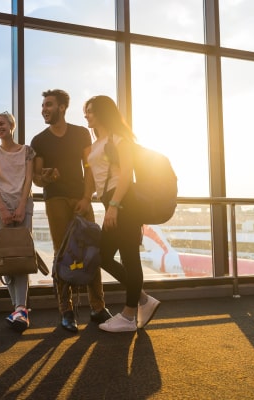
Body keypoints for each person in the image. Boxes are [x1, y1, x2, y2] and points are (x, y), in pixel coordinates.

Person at [30, 89, 112, 333]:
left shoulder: (80, 134)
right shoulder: (39, 140)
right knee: (62, 253)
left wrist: (87, 198)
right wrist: (44, 177)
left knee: (91, 250)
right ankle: (66, 311)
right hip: (55, 199)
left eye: (49, 105)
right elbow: (36, 178)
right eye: (43, 105)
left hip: (81, 198)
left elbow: (89, 168)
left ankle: (98, 308)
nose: (44, 109)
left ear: (62, 107)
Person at [83, 95, 161, 332]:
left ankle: (129, 316)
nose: (86, 115)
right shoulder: (96, 144)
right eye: (85, 111)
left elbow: (127, 174)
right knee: (104, 256)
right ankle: (143, 300)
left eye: (90, 111)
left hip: (123, 202)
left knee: (128, 257)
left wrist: (115, 206)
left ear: (103, 113)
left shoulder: (120, 139)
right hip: (111, 203)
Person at [0, 111, 35, 332]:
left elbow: (28, 181)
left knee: (22, 257)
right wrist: (4, 208)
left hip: (24, 207)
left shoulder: (27, 152)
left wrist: (22, 206)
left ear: (12, 125)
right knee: (7, 257)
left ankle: (21, 308)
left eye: (2, 124)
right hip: (1, 209)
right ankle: (19, 308)